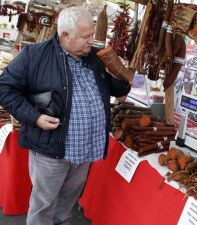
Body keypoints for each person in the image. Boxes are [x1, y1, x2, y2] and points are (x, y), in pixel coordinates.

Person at [0, 6, 131, 225]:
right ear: (65, 35)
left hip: (85, 150)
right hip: (51, 150)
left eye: (92, 34)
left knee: (65, 206)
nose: (92, 40)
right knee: (43, 207)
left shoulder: (94, 58)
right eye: (85, 36)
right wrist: (34, 117)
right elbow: (4, 89)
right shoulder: (34, 56)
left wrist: (121, 73)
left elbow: (117, 90)